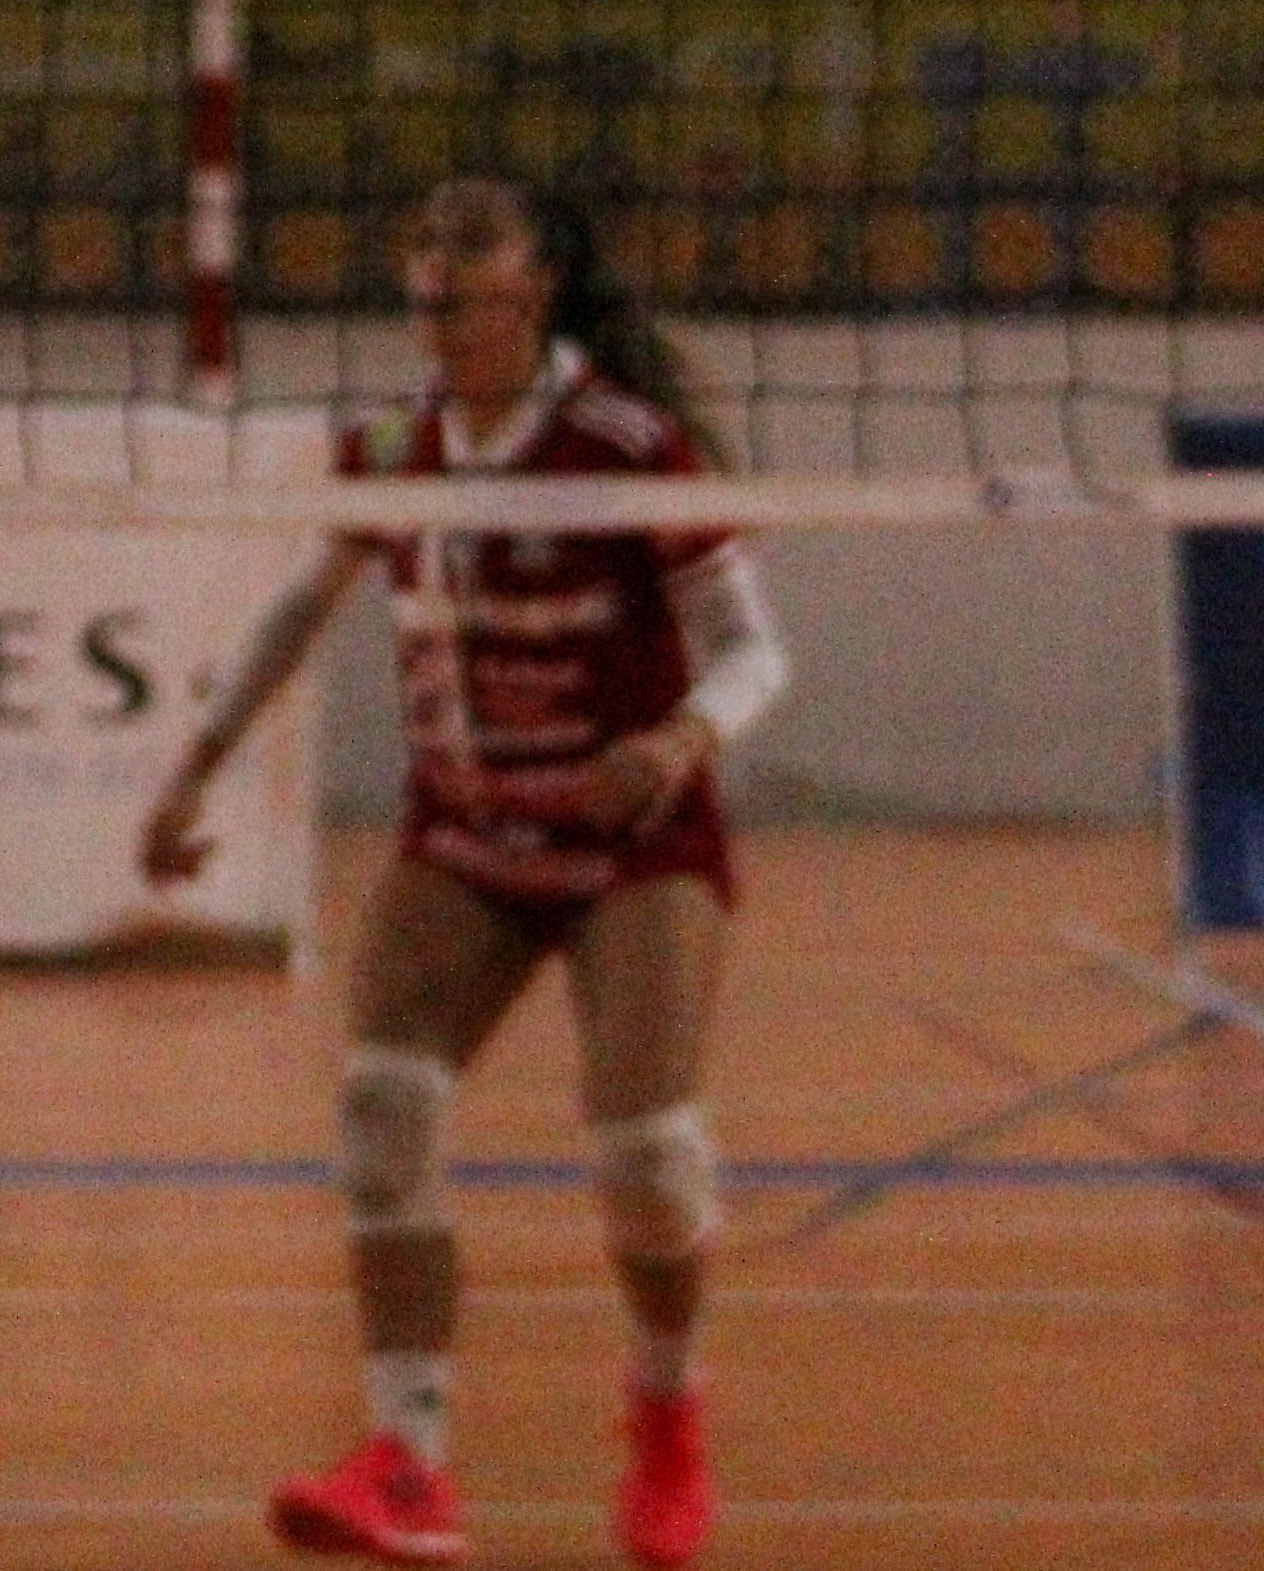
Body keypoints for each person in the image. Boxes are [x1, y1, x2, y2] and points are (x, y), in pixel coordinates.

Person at [136, 177, 792, 1571]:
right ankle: (409, 1463)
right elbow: (298, 608)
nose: (435, 265)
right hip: (467, 837)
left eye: (469, 241)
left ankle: (665, 1409)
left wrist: (679, 738)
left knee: (647, 1154)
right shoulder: (390, 445)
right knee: (382, 1109)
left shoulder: (627, 444)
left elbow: (755, 651)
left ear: (535, 280)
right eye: (421, 239)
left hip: (632, 844)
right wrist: (196, 764)